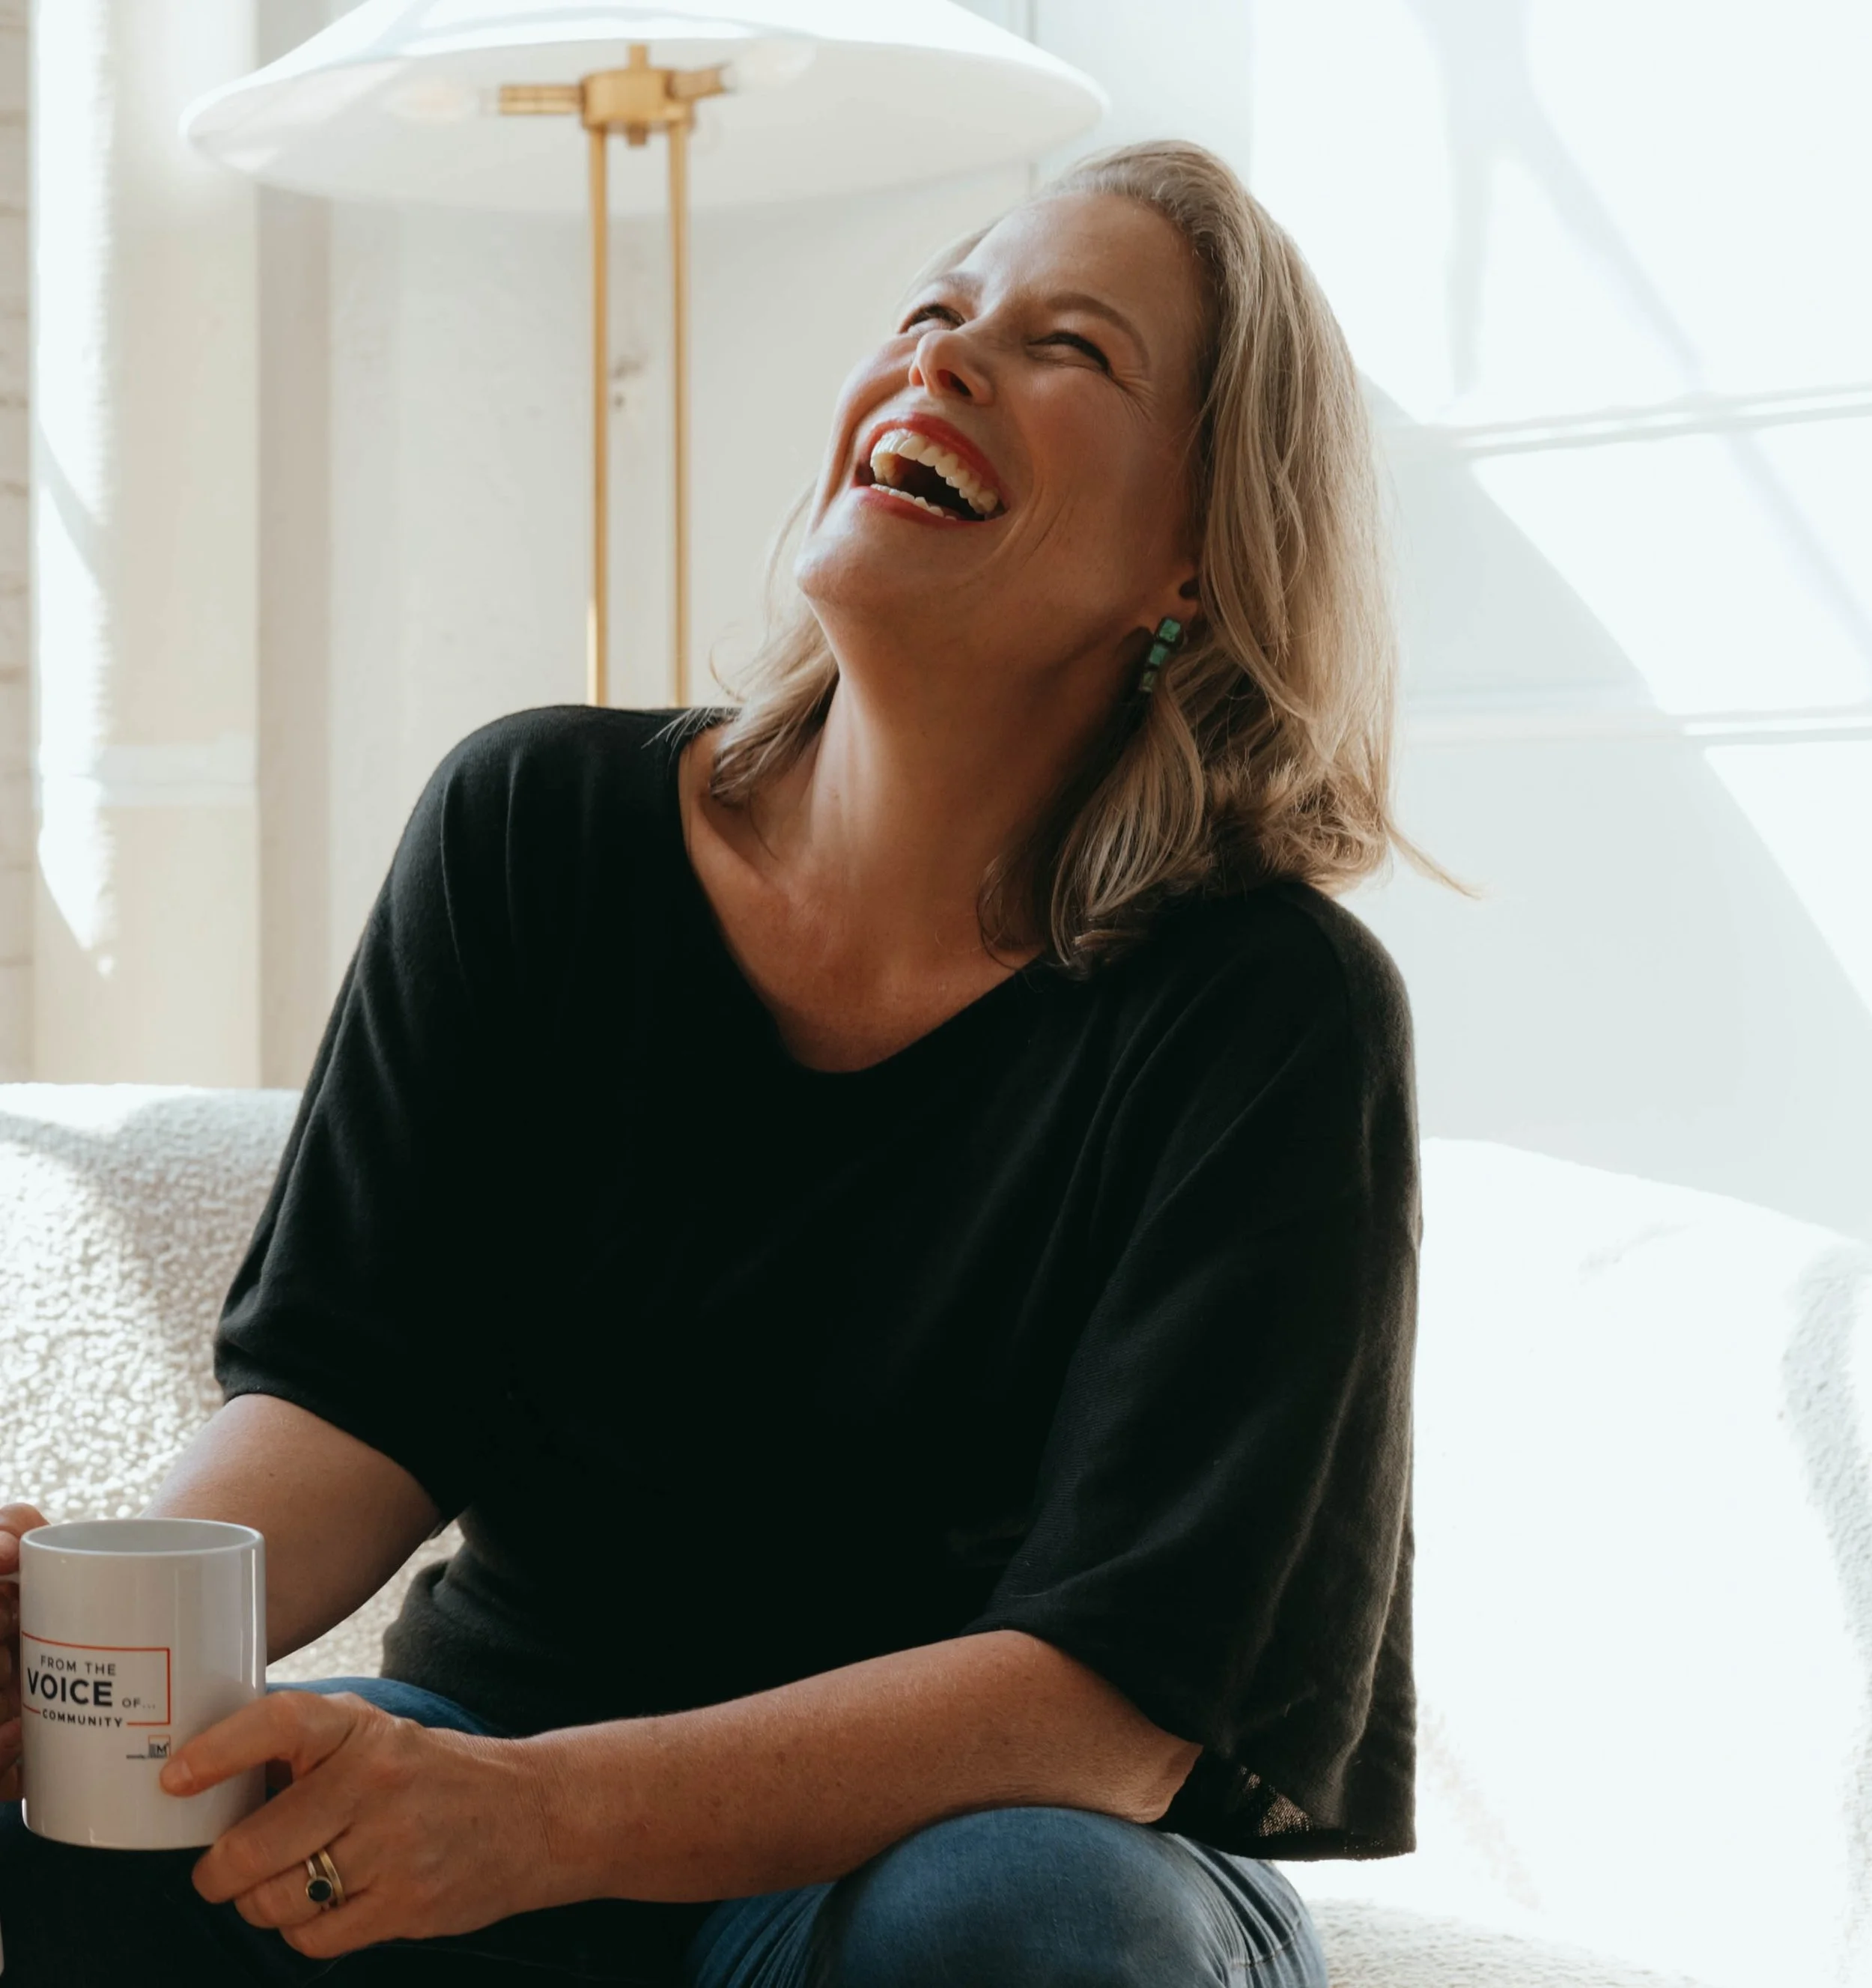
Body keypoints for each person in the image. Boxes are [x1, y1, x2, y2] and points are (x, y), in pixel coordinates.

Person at [0, 138, 1441, 1985]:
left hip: (948, 1854)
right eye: (934, 310)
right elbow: (355, 1402)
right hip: (496, 1774)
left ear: (1194, 548)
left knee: (1038, 1929)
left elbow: (1108, 1710)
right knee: (103, 1837)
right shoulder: (531, 829)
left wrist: (540, 1819)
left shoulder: (1267, 1015)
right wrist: (78, 1650)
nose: (945, 358)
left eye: (1067, 346)